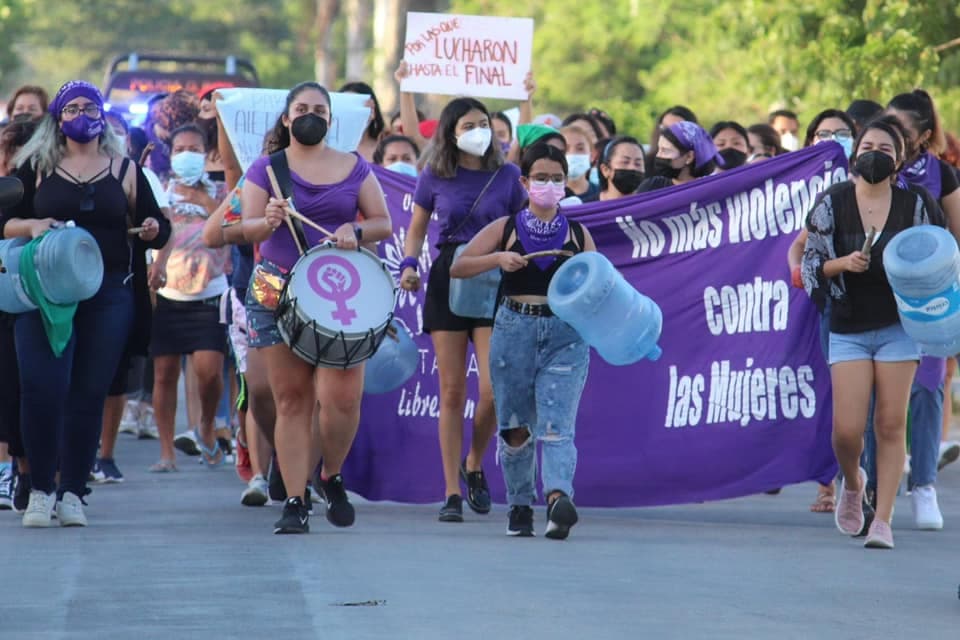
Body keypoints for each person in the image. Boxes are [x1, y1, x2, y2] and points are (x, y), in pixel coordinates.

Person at [0, 80, 169, 527]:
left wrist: (152, 227)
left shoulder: (125, 169)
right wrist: (32, 224)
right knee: (41, 386)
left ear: (102, 115)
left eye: (89, 106)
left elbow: (159, 225)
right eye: (71, 107)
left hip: (109, 292)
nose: (81, 114)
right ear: (57, 117)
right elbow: (4, 221)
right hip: (44, 292)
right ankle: (39, 488)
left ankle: (74, 490)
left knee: (88, 393)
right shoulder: (35, 166)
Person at [241, 81, 392, 534]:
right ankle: (294, 498)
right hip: (275, 288)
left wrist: (356, 231)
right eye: (301, 108)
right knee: (292, 400)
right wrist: (264, 220)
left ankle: (330, 474)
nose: (310, 114)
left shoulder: (354, 167)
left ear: (330, 119)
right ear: (286, 118)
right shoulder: (266, 169)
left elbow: (383, 222)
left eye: (319, 109)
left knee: (342, 400)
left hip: (338, 294)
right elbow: (247, 229)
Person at [801, 117, 942, 549]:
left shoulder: (915, 204)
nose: (874, 154)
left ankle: (883, 519)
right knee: (846, 430)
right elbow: (810, 266)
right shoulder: (832, 203)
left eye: (884, 148)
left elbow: (937, 255)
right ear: (854, 154)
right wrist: (841, 264)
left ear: (899, 160)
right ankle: (852, 480)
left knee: (889, 422)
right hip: (848, 326)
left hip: (900, 325)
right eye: (867, 147)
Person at [450, 142, 596, 539]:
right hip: (514, 328)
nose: (549, 185)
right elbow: (458, 266)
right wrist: (497, 259)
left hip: (565, 334)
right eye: (541, 178)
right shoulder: (506, 228)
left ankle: (557, 499)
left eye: (557, 178)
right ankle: (518, 504)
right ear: (525, 182)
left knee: (558, 426)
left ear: (566, 183)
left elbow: (599, 284)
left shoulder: (579, 233)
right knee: (515, 426)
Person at [399, 96, 527, 523]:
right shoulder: (434, 175)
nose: (480, 131)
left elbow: (523, 226)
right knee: (451, 392)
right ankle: (451, 491)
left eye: (485, 123)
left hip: (496, 278)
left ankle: (474, 461)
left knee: (493, 391)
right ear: (451, 132)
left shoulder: (507, 175)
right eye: (470, 124)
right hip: (449, 277)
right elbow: (416, 229)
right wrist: (408, 265)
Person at [785, 107, 857, 514]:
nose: (832, 139)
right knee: (821, 390)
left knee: (847, 395)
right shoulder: (792, 182)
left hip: (855, 303)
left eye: (842, 133)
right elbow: (796, 244)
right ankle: (828, 483)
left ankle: (853, 481)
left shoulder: (863, 186)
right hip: (804, 298)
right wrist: (799, 272)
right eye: (823, 133)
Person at [149, 124, 230, 471]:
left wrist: (204, 201)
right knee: (164, 374)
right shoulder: (159, 191)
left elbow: (232, 224)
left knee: (209, 371)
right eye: (180, 148)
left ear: (206, 152)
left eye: (194, 148)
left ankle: (208, 424)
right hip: (167, 293)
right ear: (170, 154)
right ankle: (167, 452)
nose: (187, 154)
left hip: (210, 293)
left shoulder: (221, 190)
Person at [637, 121, 723, 192]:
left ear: (689, 157)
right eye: (659, 149)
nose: (658, 155)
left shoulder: (711, 191)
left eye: (665, 150)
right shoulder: (650, 187)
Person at [339, 81, 386, 162]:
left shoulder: (386, 148)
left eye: (356, 107)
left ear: (373, 110)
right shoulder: (328, 148)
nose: (351, 114)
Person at [592, 136, 645, 202]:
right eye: (625, 162)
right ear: (605, 170)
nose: (632, 168)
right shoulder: (586, 208)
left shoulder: (649, 206)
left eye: (638, 164)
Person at [645, 106, 698, 171]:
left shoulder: (700, 170)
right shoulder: (645, 165)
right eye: (665, 128)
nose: (668, 134)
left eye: (676, 130)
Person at [561, 124, 598, 200]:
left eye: (580, 148)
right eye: (565, 149)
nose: (572, 153)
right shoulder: (550, 198)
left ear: (592, 155)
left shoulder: (602, 195)